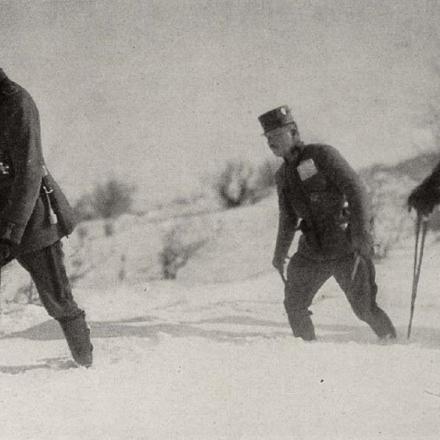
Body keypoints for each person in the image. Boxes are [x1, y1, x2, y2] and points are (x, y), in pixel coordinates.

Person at [258, 105, 396, 341]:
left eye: (277, 135)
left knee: (365, 309)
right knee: (294, 304)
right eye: (268, 137)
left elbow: (356, 190)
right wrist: (280, 252)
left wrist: (362, 234)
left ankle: (394, 345)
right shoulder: (282, 175)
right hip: (311, 250)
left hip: (344, 246)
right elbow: (288, 216)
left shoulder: (321, 155)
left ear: (293, 131)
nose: (271, 142)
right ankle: (308, 354)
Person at [0, 68, 93, 367]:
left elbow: (28, 172)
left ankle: (86, 366)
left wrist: (11, 230)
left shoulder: (17, 102)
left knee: (57, 299)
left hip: (30, 218)